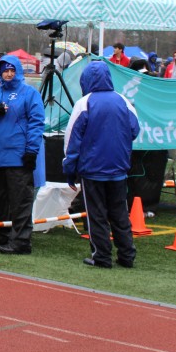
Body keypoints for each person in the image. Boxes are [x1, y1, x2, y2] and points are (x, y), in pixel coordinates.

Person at [63, 61, 141, 269]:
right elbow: (135, 130)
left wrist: (69, 170)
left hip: (92, 170)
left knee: (96, 215)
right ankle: (127, 255)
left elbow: (71, 142)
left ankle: (102, 256)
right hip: (118, 168)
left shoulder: (84, 103)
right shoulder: (123, 100)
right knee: (120, 214)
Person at [0, 55, 45, 254]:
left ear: (19, 71)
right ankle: (0, 233)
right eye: (5, 70)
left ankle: (21, 241)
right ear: (0, 72)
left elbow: (37, 123)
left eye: (12, 70)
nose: (9, 74)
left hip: (19, 157)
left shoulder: (29, 93)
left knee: (20, 201)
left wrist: (31, 151)